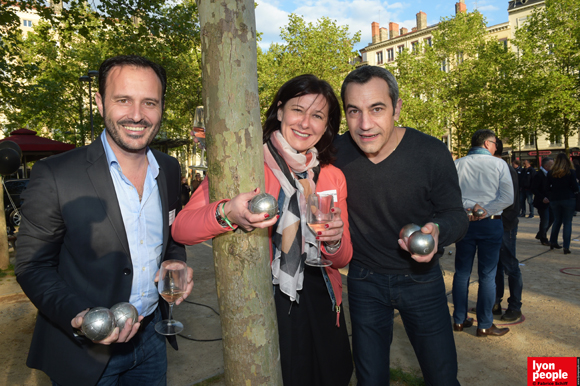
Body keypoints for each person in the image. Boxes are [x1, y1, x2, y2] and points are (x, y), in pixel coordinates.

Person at [14, 55, 193, 386]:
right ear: (99, 102)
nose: (137, 115)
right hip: (84, 352)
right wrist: (80, 315)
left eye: (149, 102)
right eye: (123, 100)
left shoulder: (168, 169)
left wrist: (175, 260)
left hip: (151, 340)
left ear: (161, 107)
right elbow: (31, 265)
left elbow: (171, 237)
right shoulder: (56, 174)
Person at [172, 74, 354, 386]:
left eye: (318, 116)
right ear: (280, 111)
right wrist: (228, 211)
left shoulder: (332, 176)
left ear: (327, 127)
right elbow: (182, 230)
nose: (306, 123)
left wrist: (335, 241)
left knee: (332, 375)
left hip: (322, 296)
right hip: (268, 299)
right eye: (298, 110)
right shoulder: (245, 164)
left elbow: (342, 259)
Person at [334, 65, 468, 385]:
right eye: (354, 111)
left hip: (421, 280)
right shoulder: (334, 152)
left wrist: (437, 232)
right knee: (370, 379)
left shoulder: (431, 152)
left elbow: (456, 215)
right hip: (364, 280)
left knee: (442, 376)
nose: (365, 124)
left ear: (397, 107)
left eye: (377, 109)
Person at [453, 129, 513, 338]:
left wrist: (470, 208)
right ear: (487, 144)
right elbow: (508, 197)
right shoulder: (499, 164)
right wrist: (485, 211)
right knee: (487, 275)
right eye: (495, 143)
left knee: (462, 272)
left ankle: (459, 319)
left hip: (465, 222)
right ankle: (485, 324)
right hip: (490, 223)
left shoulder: (458, 164)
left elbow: (450, 196)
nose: (497, 146)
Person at [492, 140, 523, 322]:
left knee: (510, 265)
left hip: (505, 224)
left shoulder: (504, 169)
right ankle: (495, 302)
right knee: (495, 266)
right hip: (497, 223)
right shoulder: (496, 167)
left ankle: (515, 306)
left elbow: (509, 200)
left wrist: (504, 222)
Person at [547, 153, 579, 254]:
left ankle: (553, 241)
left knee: (557, 220)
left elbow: (547, 187)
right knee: (567, 222)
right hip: (568, 198)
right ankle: (566, 246)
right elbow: (575, 187)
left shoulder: (551, 172)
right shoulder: (570, 172)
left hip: (555, 198)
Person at [532, 157, 554, 246]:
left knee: (552, 218)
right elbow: (534, 189)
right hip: (541, 201)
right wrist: (542, 198)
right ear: (546, 166)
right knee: (545, 220)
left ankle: (540, 233)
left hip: (549, 200)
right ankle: (543, 238)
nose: (553, 166)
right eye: (551, 165)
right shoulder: (539, 175)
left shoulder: (550, 174)